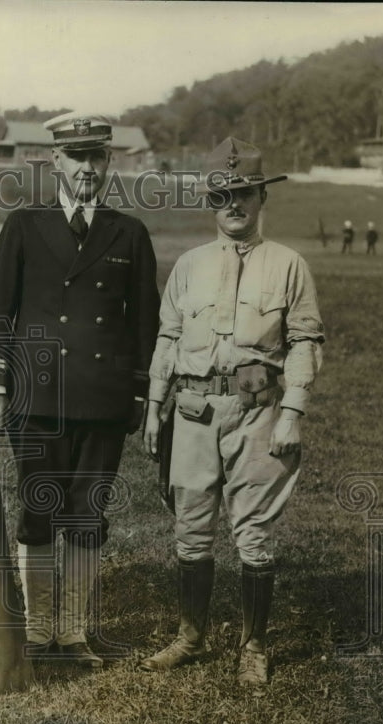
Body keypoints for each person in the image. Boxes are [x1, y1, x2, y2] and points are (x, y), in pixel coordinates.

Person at [141, 136, 324, 685]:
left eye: (244, 193)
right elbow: (167, 337)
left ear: (262, 196)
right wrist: (154, 405)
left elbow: (305, 341)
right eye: (222, 195)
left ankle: (254, 646)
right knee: (191, 529)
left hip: (257, 411)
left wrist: (292, 412)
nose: (233, 204)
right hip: (193, 410)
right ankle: (191, 637)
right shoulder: (189, 265)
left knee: (254, 534)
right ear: (210, 201)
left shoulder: (288, 264)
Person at [0, 112, 159, 668]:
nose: (87, 168)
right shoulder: (24, 225)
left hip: (102, 400)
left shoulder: (129, 232)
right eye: (77, 157)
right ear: (55, 160)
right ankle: (37, 631)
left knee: (86, 514)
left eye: (96, 157)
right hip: (35, 399)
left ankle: (73, 632)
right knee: (38, 509)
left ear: (109, 162)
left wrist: (138, 395)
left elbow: (144, 324)